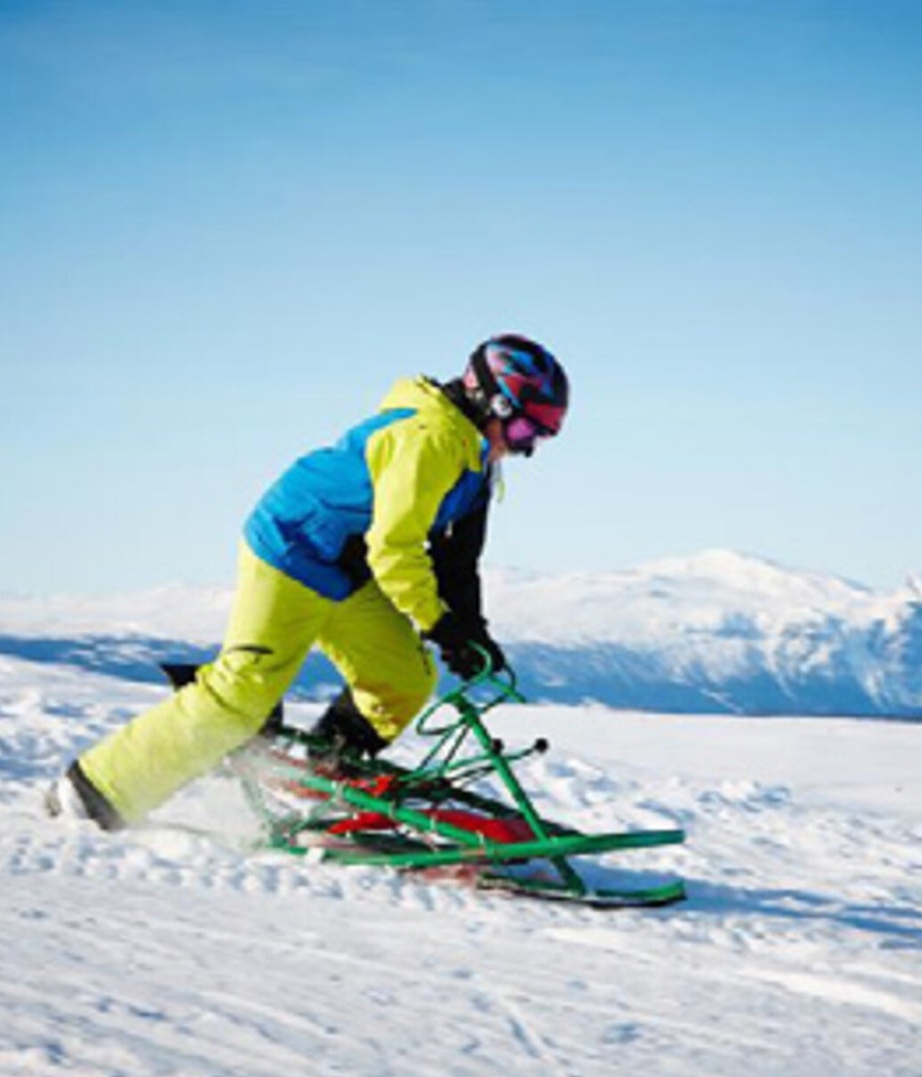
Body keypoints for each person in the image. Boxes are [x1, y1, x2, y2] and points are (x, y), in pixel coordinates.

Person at [46, 334, 570, 830]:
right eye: (525, 433)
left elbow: (458, 558)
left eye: (539, 439)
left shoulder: (476, 459)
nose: (525, 449)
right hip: (293, 548)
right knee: (244, 691)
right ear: (490, 403)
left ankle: (323, 778)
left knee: (404, 678)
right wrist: (437, 624)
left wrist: (470, 628)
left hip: (346, 567)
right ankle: (91, 792)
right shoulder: (428, 440)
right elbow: (395, 548)